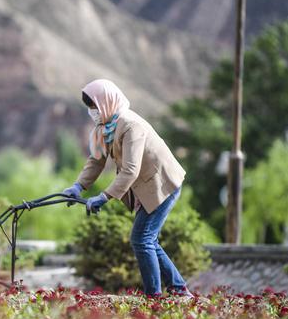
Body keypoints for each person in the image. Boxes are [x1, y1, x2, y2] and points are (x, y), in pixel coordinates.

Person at [61, 79, 192, 297]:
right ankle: (179, 289)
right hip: (146, 185)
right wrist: (78, 186)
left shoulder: (131, 125)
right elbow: (96, 161)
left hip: (162, 183)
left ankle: (154, 296)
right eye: (90, 107)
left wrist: (104, 197)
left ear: (107, 102)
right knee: (147, 239)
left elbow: (131, 169)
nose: (92, 112)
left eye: (95, 106)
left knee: (141, 239)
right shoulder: (105, 128)